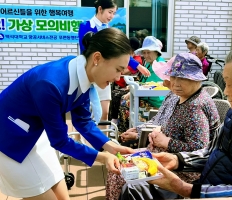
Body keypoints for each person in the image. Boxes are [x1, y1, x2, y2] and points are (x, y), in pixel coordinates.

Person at [121, 41, 232, 199]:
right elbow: (210, 152)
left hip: (206, 191)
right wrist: (178, 160)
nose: (226, 92)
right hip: (204, 185)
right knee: (133, 188)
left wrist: (183, 188)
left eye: (229, 84)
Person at [0, 28, 135, 200]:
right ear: (97, 58)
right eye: (118, 69)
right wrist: (102, 157)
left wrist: (110, 146)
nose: (118, 77)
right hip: (9, 140)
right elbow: (60, 141)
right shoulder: (50, 84)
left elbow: (83, 122)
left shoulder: (83, 72)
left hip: (35, 133)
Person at [106, 52, 220, 200]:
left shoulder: (195, 106)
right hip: (164, 155)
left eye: (183, 78)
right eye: (174, 77)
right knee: (117, 165)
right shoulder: (183, 97)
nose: (176, 83)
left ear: (195, 79)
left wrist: (166, 141)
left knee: (119, 173)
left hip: (181, 168)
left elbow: (199, 149)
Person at [78, 0, 150, 133]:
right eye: (109, 12)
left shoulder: (109, 30)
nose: (111, 16)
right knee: (84, 112)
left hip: (105, 73)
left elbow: (120, 52)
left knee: (105, 111)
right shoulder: (86, 26)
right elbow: (86, 51)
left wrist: (138, 66)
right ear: (100, 9)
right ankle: (79, 141)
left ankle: (103, 142)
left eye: (114, 13)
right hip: (90, 74)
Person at [117, 36, 166, 132]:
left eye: (149, 52)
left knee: (124, 102)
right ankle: (125, 131)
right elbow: (144, 82)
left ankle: (126, 133)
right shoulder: (148, 63)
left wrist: (133, 89)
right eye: (144, 52)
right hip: (145, 97)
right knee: (120, 97)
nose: (146, 55)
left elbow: (152, 86)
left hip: (154, 102)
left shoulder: (160, 65)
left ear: (156, 52)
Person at [110, 37, 143, 126]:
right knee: (112, 94)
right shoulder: (128, 57)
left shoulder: (137, 60)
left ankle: (115, 121)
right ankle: (112, 120)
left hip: (127, 84)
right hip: (119, 82)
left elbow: (124, 71)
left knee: (116, 95)